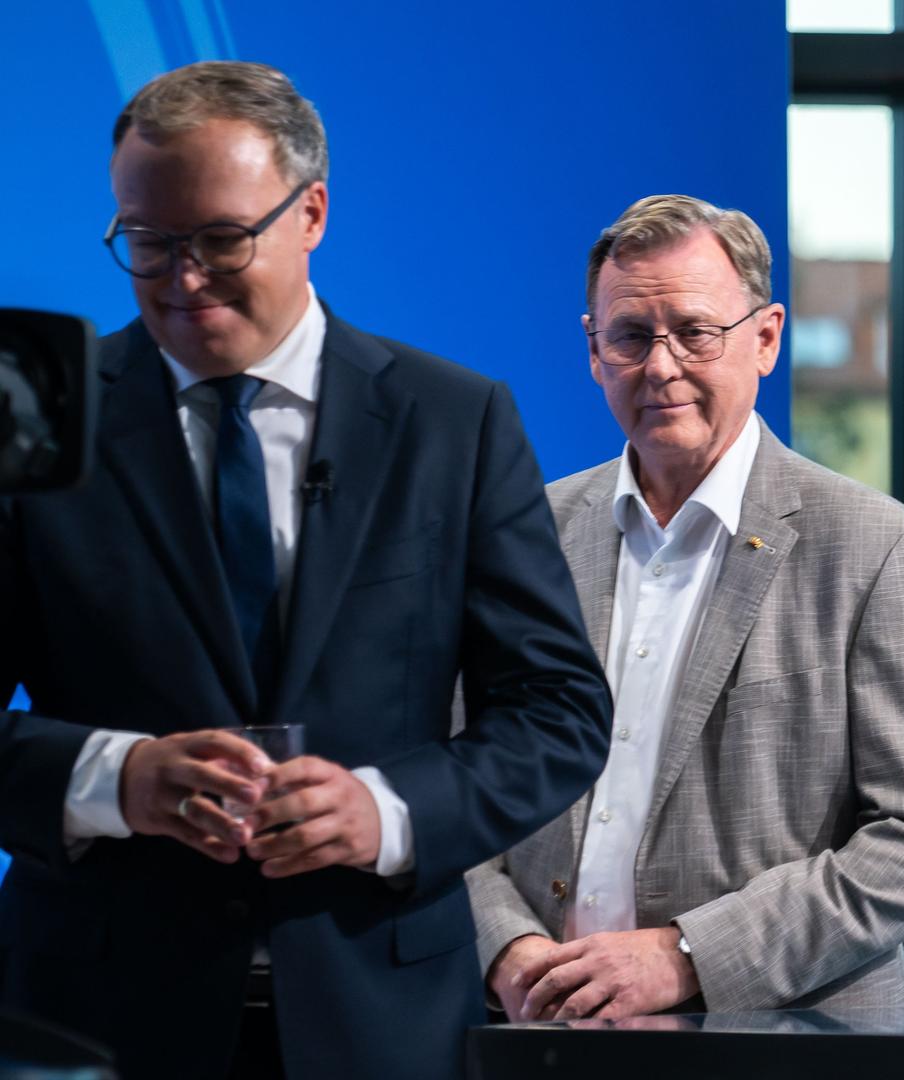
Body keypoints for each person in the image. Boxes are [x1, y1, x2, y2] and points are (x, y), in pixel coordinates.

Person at [0, 61, 611, 1079]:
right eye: (147, 243)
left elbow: (558, 713)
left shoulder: (453, 422)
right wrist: (113, 780)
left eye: (220, 240)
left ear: (312, 213)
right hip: (99, 1021)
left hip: (382, 1026)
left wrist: (386, 812)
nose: (183, 278)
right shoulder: (40, 419)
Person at [466, 194, 904, 1020]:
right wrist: (506, 946)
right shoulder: (524, 534)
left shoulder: (879, 549)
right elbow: (452, 783)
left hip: (782, 1043)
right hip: (534, 1033)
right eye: (631, 336)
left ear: (766, 338)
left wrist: (687, 957)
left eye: (695, 332)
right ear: (594, 351)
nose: (661, 366)